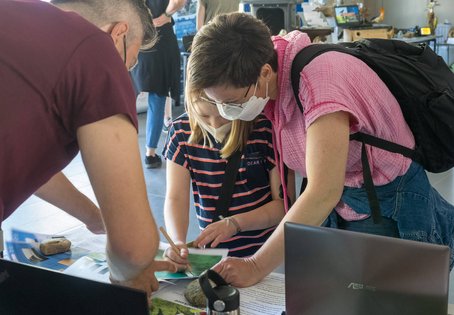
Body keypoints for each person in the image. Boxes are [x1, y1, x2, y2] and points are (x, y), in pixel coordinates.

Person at [187, 13, 454, 287]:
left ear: (264, 73)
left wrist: (255, 265)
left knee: (380, 296)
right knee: (340, 291)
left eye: (231, 102)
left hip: (386, 201)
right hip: (349, 197)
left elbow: (323, 191)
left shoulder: (321, 84)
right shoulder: (272, 64)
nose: (225, 114)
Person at [0, 0, 176, 299]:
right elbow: (133, 250)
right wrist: (130, 278)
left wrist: (97, 218)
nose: (126, 77)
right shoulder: (96, 47)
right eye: (129, 65)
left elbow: (21, 160)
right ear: (118, 33)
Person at [161, 86, 288, 270]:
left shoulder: (264, 128)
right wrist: (177, 241)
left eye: (222, 116)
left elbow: (283, 206)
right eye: (203, 116)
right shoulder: (180, 131)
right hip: (214, 254)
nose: (214, 124)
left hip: (265, 254)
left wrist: (235, 223)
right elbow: (175, 197)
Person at [131, 0, 185, 169]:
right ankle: (150, 154)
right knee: (158, 96)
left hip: (136, 39)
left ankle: (120, 144)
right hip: (161, 39)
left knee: (129, 93)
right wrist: (165, 15)